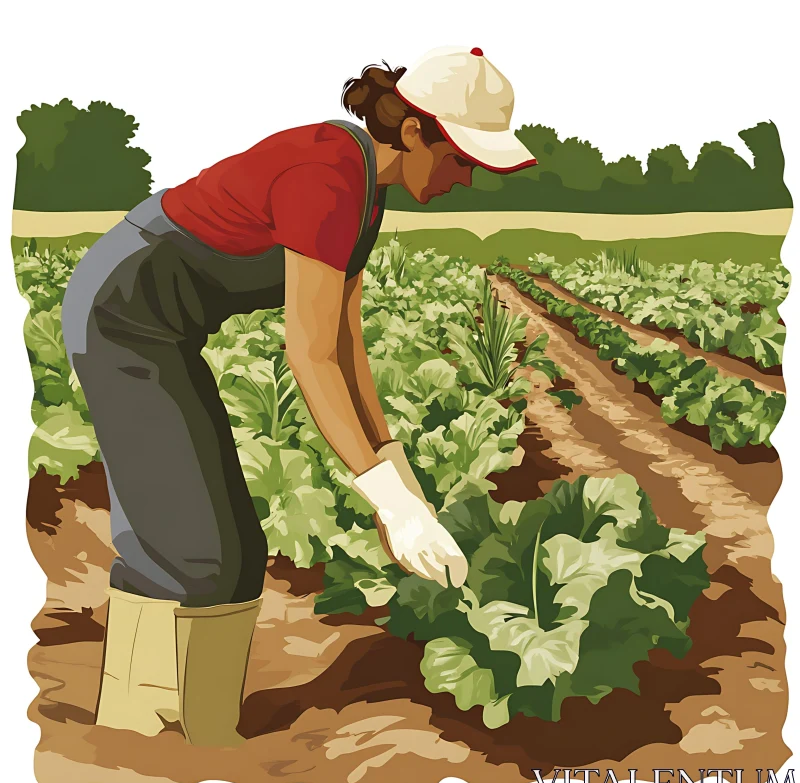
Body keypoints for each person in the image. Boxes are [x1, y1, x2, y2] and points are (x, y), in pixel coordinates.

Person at [60, 45, 538, 747]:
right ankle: (146, 738)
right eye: (463, 158)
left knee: (230, 548)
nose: (467, 178)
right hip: (121, 316)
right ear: (413, 132)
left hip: (161, 330)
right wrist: (389, 501)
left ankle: (191, 732)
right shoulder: (329, 176)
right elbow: (308, 355)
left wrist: (401, 489)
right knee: (194, 548)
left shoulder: (365, 192)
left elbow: (348, 349)